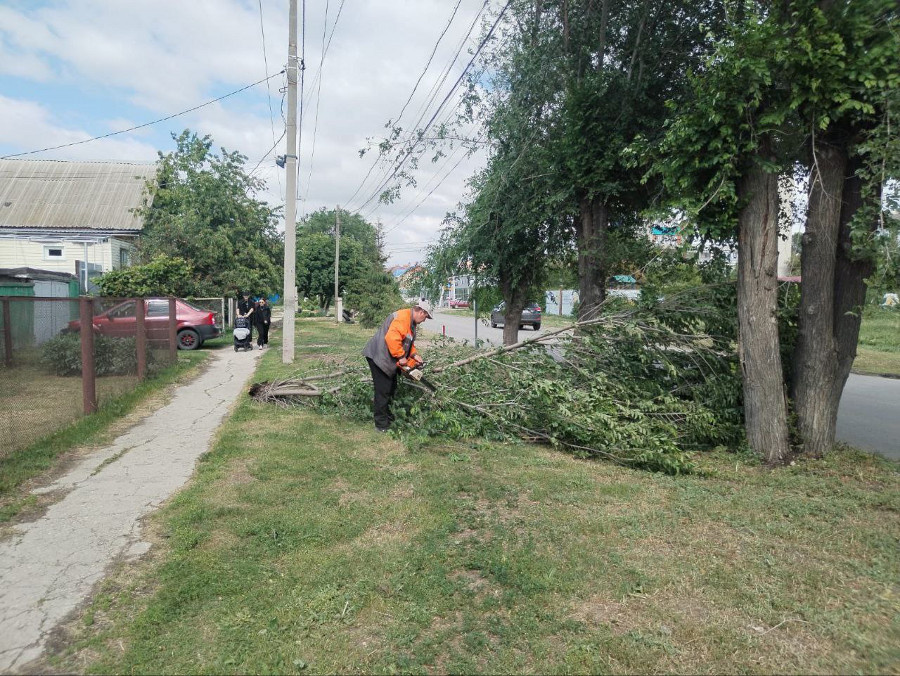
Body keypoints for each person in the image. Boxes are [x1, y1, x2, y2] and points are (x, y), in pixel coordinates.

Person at [362, 299, 433, 432]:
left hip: (387, 357)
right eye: (426, 316)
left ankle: (388, 417)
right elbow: (392, 339)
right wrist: (401, 357)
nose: (425, 320)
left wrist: (414, 355)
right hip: (378, 356)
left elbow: (407, 342)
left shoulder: (411, 322)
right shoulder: (402, 318)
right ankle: (381, 425)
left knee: (392, 387)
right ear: (421, 312)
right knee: (383, 390)